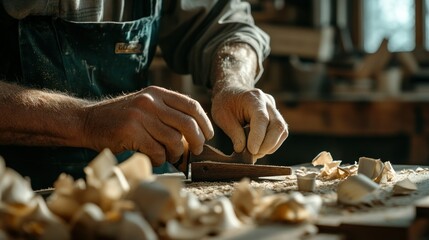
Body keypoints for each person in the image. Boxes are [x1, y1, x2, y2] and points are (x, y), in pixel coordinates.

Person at [0, 0, 288, 189]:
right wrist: (84, 121)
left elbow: (228, 25)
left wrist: (233, 82)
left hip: (132, 192)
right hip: (16, 194)